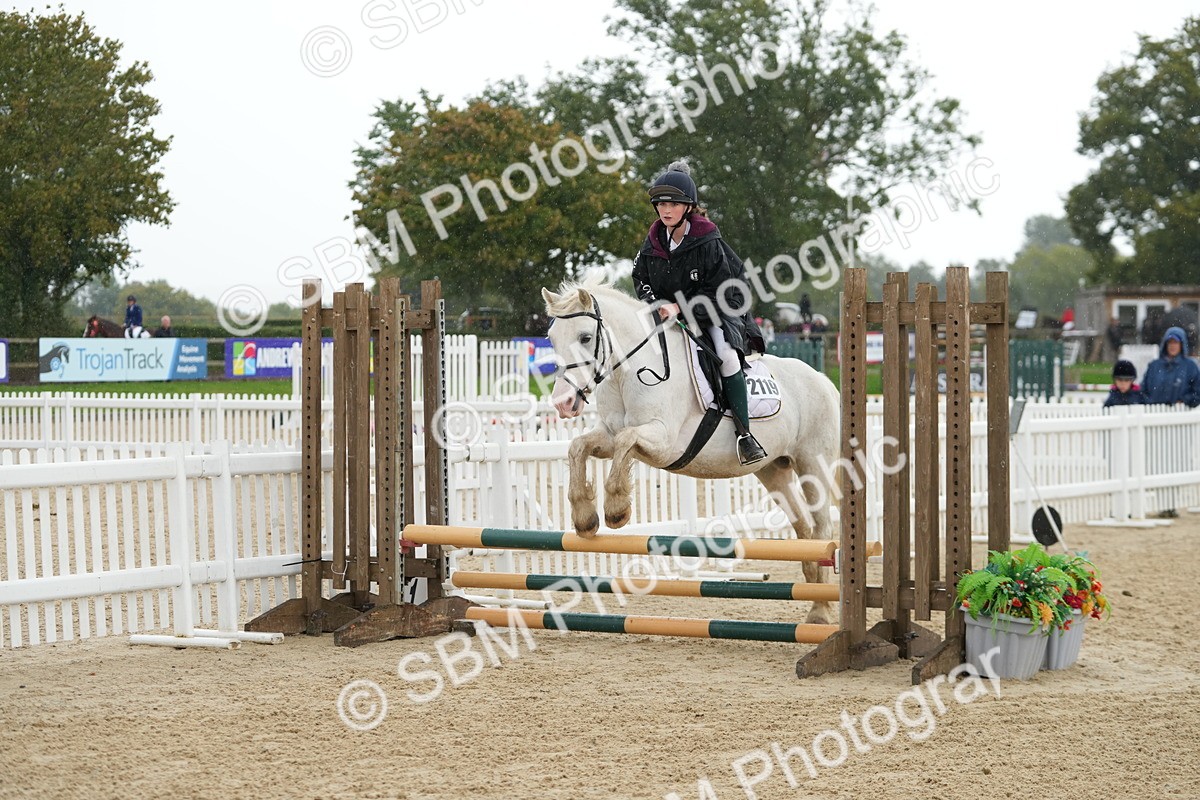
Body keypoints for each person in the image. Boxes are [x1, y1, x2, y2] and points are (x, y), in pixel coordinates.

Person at [632, 160, 767, 465]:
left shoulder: (707, 239)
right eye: (661, 204)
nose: (665, 210)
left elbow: (721, 289)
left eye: (673, 204)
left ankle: (745, 435)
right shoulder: (654, 240)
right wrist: (656, 302)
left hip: (717, 309)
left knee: (727, 355)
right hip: (671, 315)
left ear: (688, 207)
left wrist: (681, 307)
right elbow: (640, 278)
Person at [1140, 326, 1200, 407]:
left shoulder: (1190, 366)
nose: (1172, 345)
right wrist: (1151, 403)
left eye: (1175, 342)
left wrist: (1184, 401)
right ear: (1165, 344)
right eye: (1170, 342)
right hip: (1154, 414)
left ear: (1181, 344)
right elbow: (1143, 391)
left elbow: (1197, 392)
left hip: (1181, 414)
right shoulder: (1154, 366)